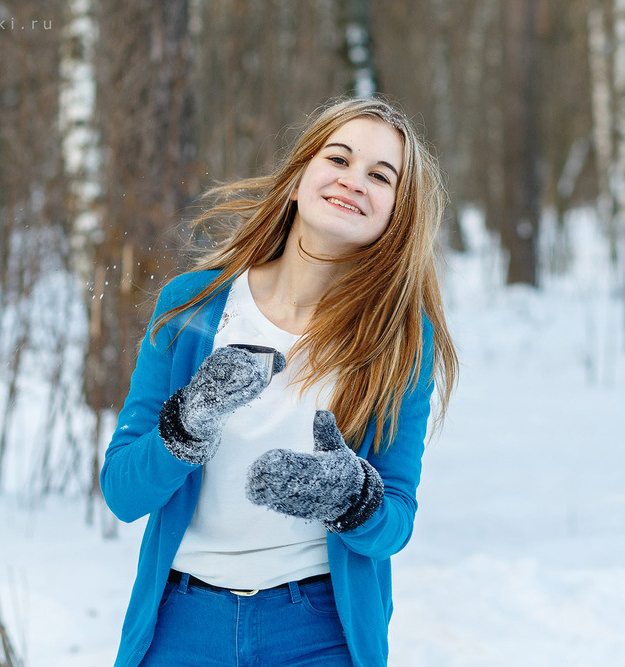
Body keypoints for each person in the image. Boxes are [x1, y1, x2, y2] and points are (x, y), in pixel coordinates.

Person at [100, 95, 458, 666]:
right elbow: (122, 492)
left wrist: (354, 498)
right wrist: (184, 428)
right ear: (297, 179)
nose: (353, 181)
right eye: (338, 159)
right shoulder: (192, 306)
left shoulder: (399, 339)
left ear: (398, 213)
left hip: (318, 631)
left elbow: (395, 523)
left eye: (380, 176)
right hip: (184, 625)